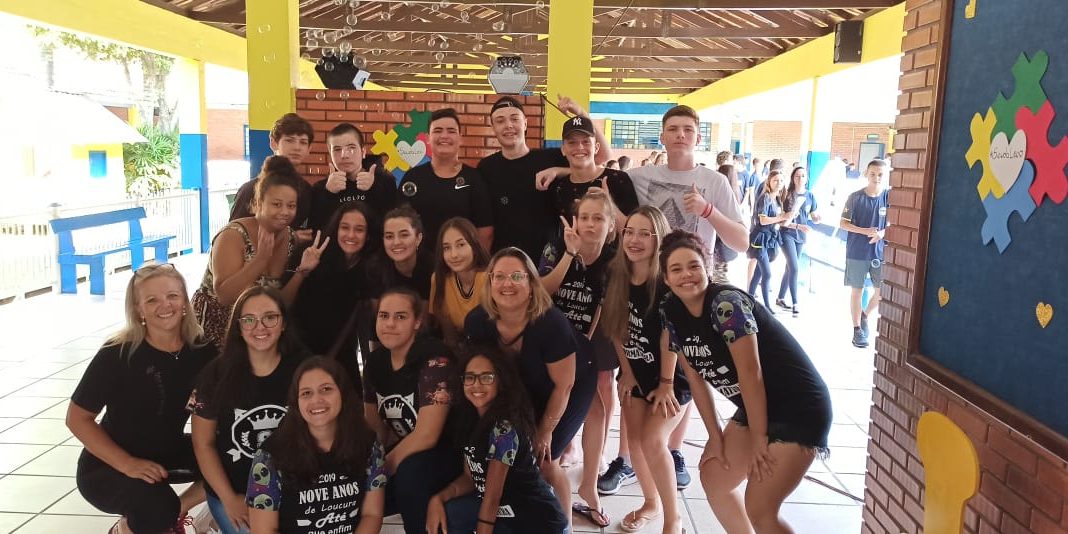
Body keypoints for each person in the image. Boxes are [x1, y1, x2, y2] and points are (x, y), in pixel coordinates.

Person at [659, 230, 832, 534]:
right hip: (761, 404)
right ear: (666, 278)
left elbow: (751, 374)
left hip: (799, 408)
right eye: (676, 269)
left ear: (707, 268)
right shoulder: (671, 311)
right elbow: (696, 380)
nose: (687, 275)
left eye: (694, 266)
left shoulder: (726, 305)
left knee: (760, 508)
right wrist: (715, 436)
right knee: (715, 476)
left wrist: (759, 439)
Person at [623, 105, 748, 487]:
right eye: (673, 129)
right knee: (648, 372)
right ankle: (629, 460)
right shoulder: (640, 177)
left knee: (688, 368)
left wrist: (708, 211)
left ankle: (675, 452)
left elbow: (741, 241)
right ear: (661, 136)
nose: (680, 135)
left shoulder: (714, 182)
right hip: (650, 285)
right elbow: (597, 173)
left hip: (694, 288)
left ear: (698, 136)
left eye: (688, 129)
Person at [67, 263, 215, 534]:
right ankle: (127, 528)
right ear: (138, 309)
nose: (165, 305)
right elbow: (77, 419)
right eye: (152, 300)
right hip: (107, 465)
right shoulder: (117, 353)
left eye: (172, 296)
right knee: (156, 506)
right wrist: (128, 464)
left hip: (168, 450)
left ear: (185, 301)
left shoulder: (202, 351)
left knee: (235, 462)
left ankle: (174, 516)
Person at [464, 247, 594, 524]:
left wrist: (545, 431)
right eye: (499, 276)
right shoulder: (477, 321)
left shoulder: (551, 323)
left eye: (516, 276)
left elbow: (564, 385)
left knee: (546, 461)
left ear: (532, 284)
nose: (507, 283)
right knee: (516, 458)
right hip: (523, 385)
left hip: (571, 384)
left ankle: (564, 527)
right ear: (489, 283)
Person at [190, 286, 308, 534]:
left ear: (284, 323)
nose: (259, 327)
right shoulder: (215, 374)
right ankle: (214, 515)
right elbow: (203, 443)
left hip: (294, 489)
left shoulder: (305, 370)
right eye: (249, 319)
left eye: (270, 317)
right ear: (238, 327)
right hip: (236, 491)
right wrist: (229, 499)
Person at [601, 206, 690, 534]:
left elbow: (671, 336)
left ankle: (673, 518)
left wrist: (666, 383)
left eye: (644, 234)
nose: (634, 240)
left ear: (659, 239)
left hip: (671, 376)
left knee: (653, 441)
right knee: (636, 442)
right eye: (629, 232)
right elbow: (616, 328)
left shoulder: (665, 282)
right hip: (636, 371)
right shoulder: (616, 275)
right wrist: (626, 372)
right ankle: (651, 503)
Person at [192, 156, 331, 347]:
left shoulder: (290, 237)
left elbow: (279, 303)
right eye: (276, 204)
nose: (285, 212)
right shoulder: (233, 235)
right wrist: (260, 260)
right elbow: (224, 295)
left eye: (291, 206)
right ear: (258, 203)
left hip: (257, 332)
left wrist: (302, 272)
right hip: (215, 331)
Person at [426, 349, 568, 534]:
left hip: (539, 522)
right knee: (450, 513)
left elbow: (492, 498)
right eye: (470, 377)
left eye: (487, 377)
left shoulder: (504, 428)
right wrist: (439, 498)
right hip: (506, 515)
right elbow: (471, 478)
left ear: (501, 381)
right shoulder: (469, 419)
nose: (476, 385)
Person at [539, 191, 616, 528]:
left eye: (598, 218)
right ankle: (550, 468)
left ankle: (589, 485)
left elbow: (599, 306)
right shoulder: (557, 246)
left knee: (596, 408)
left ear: (610, 226)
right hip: (545, 342)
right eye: (584, 217)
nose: (589, 224)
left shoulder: (612, 261)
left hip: (579, 345)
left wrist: (583, 347)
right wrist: (570, 254)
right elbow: (541, 291)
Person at [246, 357, 387, 533]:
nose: (316, 399)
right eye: (306, 393)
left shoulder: (369, 445)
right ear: (296, 402)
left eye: (326, 389)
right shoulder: (268, 457)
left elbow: (372, 514)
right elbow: (263, 531)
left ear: (343, 393)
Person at [363, 288, 460, 532]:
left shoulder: (435, 359)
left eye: (401, 316)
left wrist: (381, 469)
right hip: (411, 451)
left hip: (451, 451)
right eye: (384, 316)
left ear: (417, 322)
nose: (390, 324)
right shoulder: (375, 363)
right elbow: (375, 429)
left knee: (409, 474)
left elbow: (428, 436)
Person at [478, 95, 610, 260]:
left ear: (525, 123)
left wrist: (580, 112)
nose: (509, 125)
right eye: (500, 121)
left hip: (548, 260)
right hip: (505, 260)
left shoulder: (550, 158)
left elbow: (601, 157)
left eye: (514, 119)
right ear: (493, 127)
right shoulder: (487, 167)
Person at [292, 201, 380, 388]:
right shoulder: (314, 255)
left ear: (368, 235)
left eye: (359, 229)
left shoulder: (369, 269)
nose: (351, 235)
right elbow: (287, 304)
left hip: (340, 355)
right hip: (300, 352)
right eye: (345, 227)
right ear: (336, 229)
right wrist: (303, 271)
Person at [398, 108, 493, 250]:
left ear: (460, 138)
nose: (444, 136)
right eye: (437, 131)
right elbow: (399, 224)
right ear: (428, 138)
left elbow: (485, 231)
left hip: (460, 261)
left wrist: (476, 261)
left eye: (451, 131)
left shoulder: (474, 179)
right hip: (420, 261)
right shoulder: (413, 177)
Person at [230, 113, 315, 243]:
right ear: (273, 143)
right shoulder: (250, 189)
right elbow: (234, 235)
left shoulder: (306, 190)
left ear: (309, 149)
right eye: (289, 140)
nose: (297, 147)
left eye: (303, 142)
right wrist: (290, 237)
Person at [545, 115, 639, 232]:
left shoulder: (617, 179)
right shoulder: (559, 188)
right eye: (572, 142)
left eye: (586, 142)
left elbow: (634, 232)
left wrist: (609, 205)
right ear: (563, 149)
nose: (579, 147)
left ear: (596, 147)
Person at [310, 123, 397, 231]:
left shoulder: (385, 182)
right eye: (337, 149)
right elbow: (316, 229)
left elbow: (392, 226)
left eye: (351, 148)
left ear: (363, 152)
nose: (344, 155)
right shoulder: (320, 189)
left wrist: (374, 188)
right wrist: (327, 194)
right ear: (330, 154)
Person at [840, 159, 889, 348]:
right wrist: (864, 231)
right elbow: (843, 223)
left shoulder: (889, 198)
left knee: (881, 291)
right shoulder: (855, 197)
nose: (876, 177)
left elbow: (894, 224)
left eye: (880, 174)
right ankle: (857, 329)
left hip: (879, 252)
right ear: (866, 174)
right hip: (857, 252)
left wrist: (881, 233)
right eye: (873, 174)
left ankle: (865, 315)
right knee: (857, 290)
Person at [430, 217, 490, 347]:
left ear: (474, 247)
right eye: (447, 248)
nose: (454, 255)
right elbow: (450, 337)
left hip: (489, 347)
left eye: (461, 245)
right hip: (459, 349)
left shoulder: (489, 279)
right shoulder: (439, 279)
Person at [775, 166, 820, 317]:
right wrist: (799, 226)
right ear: (793, 178)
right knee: (794, 267)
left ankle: (780, 298)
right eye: (797, 176)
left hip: (801, 237)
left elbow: (813, 215)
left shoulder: (810, 196)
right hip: (787, 234)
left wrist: (817, 218)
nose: (800, 179)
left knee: (790, 268)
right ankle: (795, 303)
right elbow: (782, 221)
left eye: (803, 176)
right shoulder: (787, 195)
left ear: (807, 178)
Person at [747, 170, 788, 311]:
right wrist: (782, 217)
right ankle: (767, 307)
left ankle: (749, 300)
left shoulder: (777, 200)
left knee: (758, 273)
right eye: (775, 180)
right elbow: (763, 220)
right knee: (767, 273)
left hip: (771, 238)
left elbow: (778, 220)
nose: (779, 183)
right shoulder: (765, 198)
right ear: (769, 181)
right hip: (760, 239)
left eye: (781, 180)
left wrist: (791, 220)